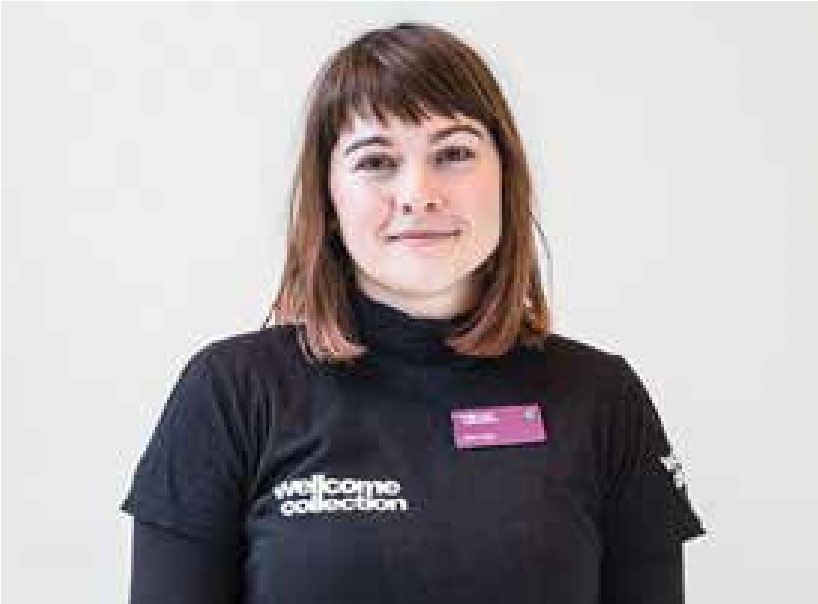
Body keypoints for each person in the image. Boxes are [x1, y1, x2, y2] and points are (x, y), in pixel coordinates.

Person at [120, 21, 706, 603]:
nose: (418, 193)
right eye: (376, 161)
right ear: (328, 197)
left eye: (453, 153)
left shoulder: (603, 399)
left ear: (506, 179)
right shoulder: (232, 393)